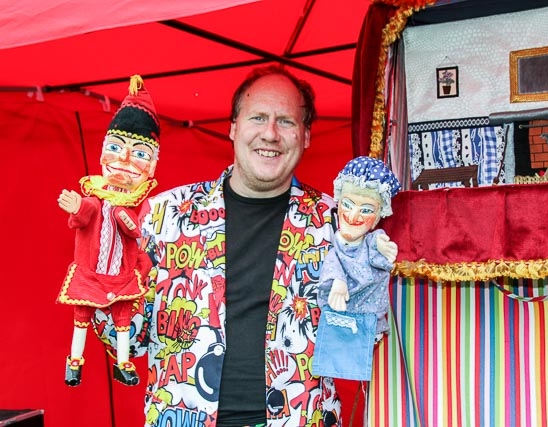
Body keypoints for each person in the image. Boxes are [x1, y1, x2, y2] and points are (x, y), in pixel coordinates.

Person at [94, 65, 342, 427]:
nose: (270, 134)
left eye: (286, 121)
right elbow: (129, 340)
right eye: (258, 117)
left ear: (305, 136)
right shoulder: (164, 215)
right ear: (233, 127)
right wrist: (102, 267)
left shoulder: (339, 226)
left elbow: (370, 329)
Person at [57, 75, 160, 387]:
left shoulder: (134, 203)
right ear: (104, 154)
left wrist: (123, 217)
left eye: (140, 154)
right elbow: (86, 213)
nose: (125, 160)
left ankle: (124, 364)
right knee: (81, 319)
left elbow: (133, 230)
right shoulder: (95, 194)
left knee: (123, 321)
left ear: (152, 164)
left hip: (122, 275)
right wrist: (77, 207)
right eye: (117, 148)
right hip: (91, 274)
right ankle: (74, 362)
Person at [313, 156, 401, 381]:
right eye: (348, 205)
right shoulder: (331, 242)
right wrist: (338, 281)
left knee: (360, 365)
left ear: (377, 218)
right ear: (339, 203)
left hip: (368, 318)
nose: (353, 216)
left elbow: (376, 244)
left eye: (366, 210)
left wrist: (380, 243)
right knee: (336, 363)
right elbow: (334, 259)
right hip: (339, 314)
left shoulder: (372, 242)